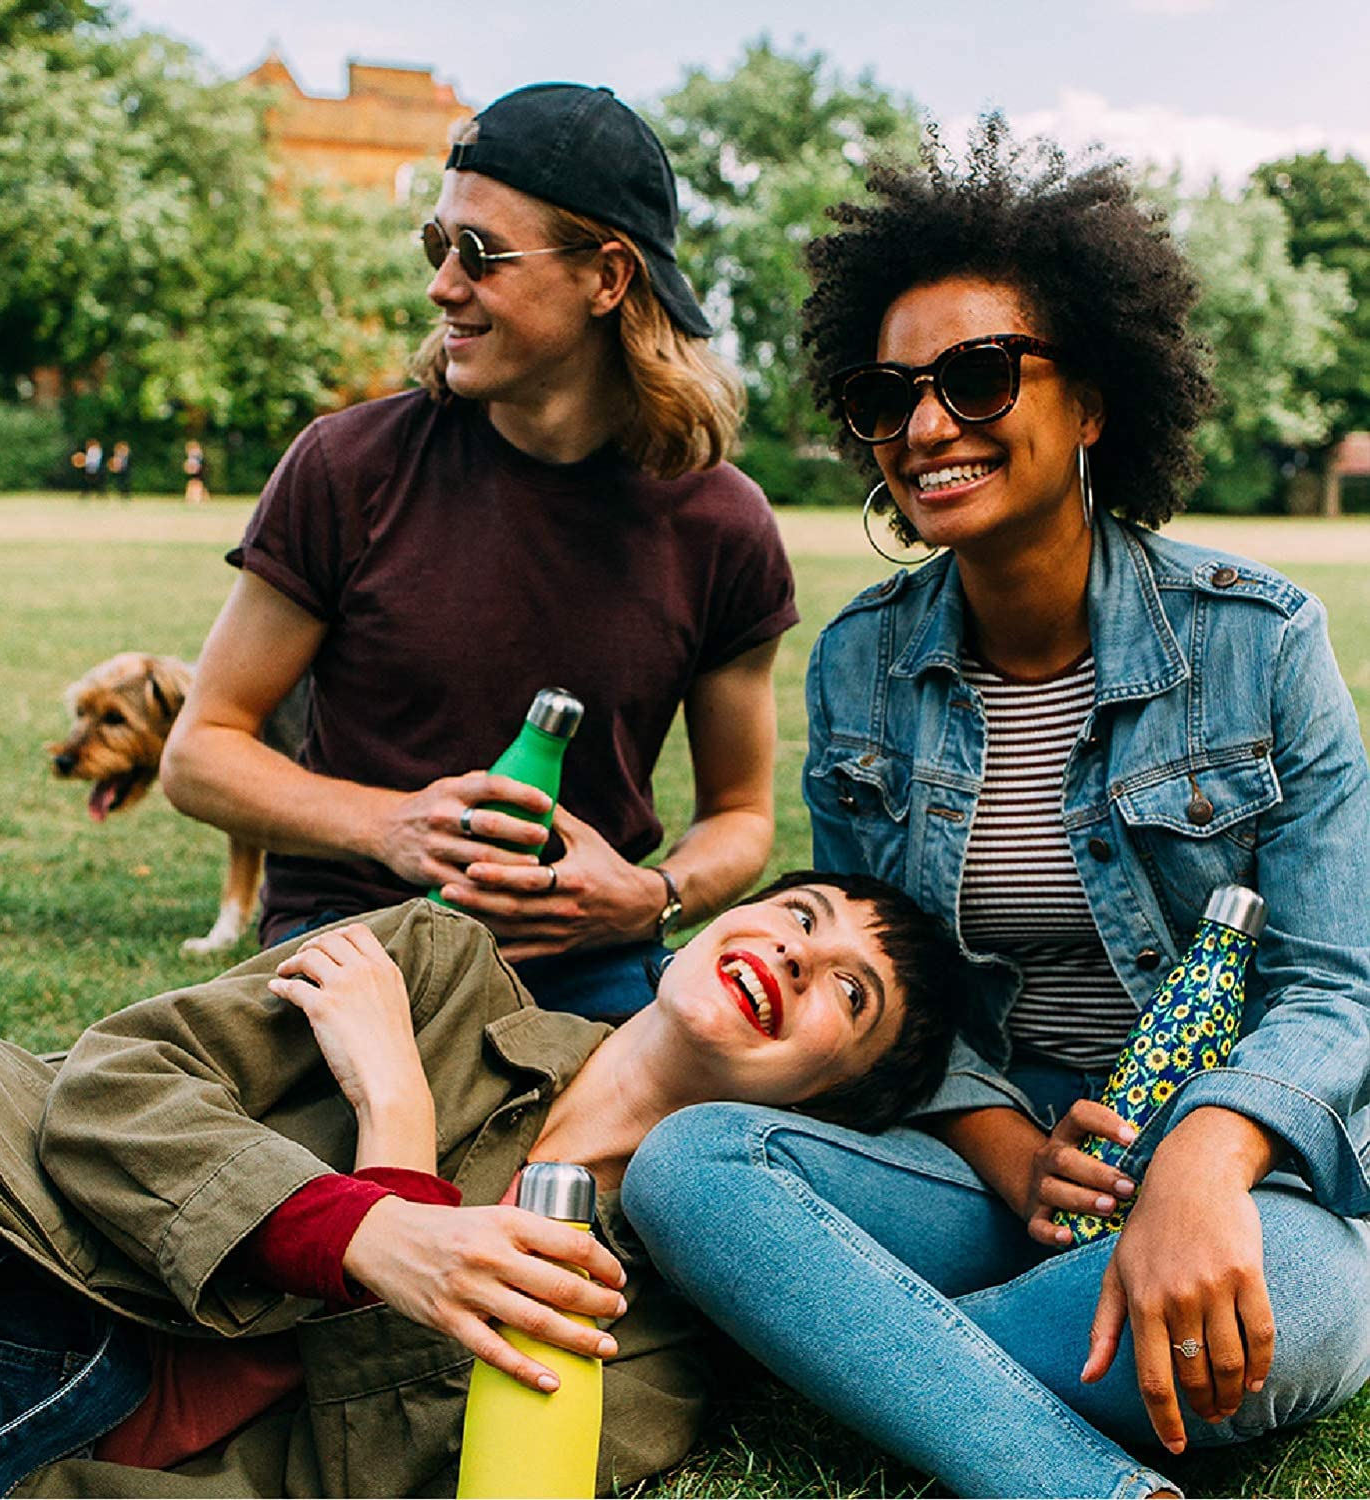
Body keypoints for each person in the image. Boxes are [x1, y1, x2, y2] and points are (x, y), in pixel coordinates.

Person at [623, 120, 1370, 1499]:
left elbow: (1331, 986)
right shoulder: (861, 662)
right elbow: (886, 985)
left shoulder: (1258, 642)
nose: (922, 430)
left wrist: (1202, 1162)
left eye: (973, 379)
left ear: (1089, 401)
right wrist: (1006, 1148)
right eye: (885, 395)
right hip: (993, 1168)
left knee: (1285, 1319)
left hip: (1245, 1175)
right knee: (690, 1166)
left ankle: (856, 1358)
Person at [0, 872, 961, 1497]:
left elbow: (397, 1487)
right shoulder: (430, 968)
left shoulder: (651, 1346)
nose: (800, 954)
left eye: (850, 995)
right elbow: (114, 1086)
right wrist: (360, 1229)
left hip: (26, 1455)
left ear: (825, 1112)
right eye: (801, 912)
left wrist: (393, 1138)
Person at [159, 82, 798, 1018]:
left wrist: (652, 896)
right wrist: (389, 826)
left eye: (480, 255)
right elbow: (201, 751)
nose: (441, 284)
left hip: (587, 970)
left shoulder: (721, 526)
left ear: (607, 279)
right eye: (437, 244)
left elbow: (739, 815)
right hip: (351, 946)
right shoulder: (349, 466)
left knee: (646, 1163)